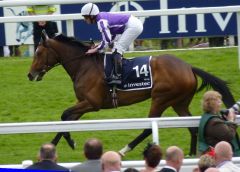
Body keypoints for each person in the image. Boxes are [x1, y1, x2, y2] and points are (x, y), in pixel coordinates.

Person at [81, 3, 143, 85]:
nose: (84, 19)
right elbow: (110, 37)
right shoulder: (101, 17)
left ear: (91, 16)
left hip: (133, 26)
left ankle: (118, 77)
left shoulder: (101, 21)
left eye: (85, 17)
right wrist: (98, 45)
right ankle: (118, 72)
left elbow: (107, 39)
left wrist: (95, 49)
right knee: (115, 48)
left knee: (117, 49)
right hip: (132, 24)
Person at [198, 91, 240, 156]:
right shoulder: (214, 122)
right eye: (219, 102)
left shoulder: (207, 116)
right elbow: (229, 135)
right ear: (213, 104)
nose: (221, 103)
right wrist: (231, 120)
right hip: (219, 157)